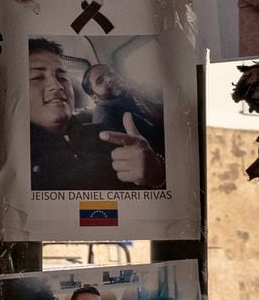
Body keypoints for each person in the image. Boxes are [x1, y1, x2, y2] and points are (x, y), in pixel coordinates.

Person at [28, 40, 164, 192]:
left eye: (62, 77)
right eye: (37, 77)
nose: (57, 86)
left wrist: (157, 174)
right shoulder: (18, 160)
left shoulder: (101, 134)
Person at [77, 61, 166, 151]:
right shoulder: (104, 116)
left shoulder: (132, 94)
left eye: (111, 73)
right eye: (100, 81)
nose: (110, 79)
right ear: (95, 97)